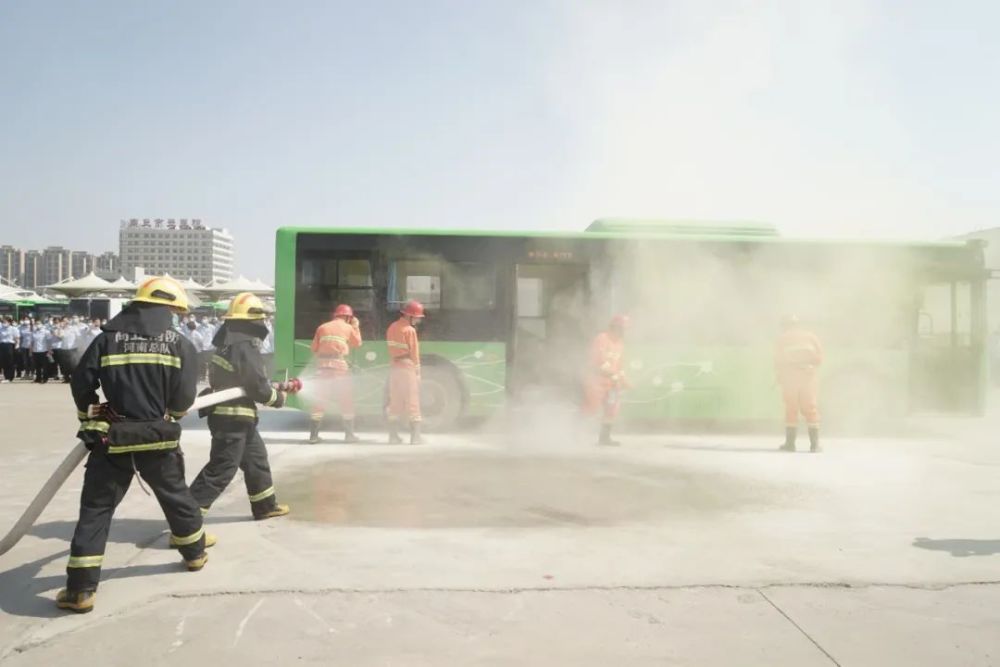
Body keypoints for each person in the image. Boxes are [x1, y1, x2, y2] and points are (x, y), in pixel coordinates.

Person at [57, 277, 210, 614]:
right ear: (166, 308)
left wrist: (90, 414)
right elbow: (184, 399)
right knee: (175, 495)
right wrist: (169, 413)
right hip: (158, 436)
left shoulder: (106, 340)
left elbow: (82, 382)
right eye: (173, 310)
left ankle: (80, 590)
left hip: (113, 436)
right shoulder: (180, 344)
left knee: (96, 510)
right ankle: (195, 553)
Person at [189, 292, 290, 520]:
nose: (263, 323)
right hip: (232, 419)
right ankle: (186, 519)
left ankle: (265, 506)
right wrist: (277, 398)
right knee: (222, 468)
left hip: (236, 417)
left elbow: (242, 379)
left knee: (256, 460)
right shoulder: (244, 346)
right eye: (260, 319)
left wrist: (269, 388)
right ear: (251, 321)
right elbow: (255, 385)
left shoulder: (227, 343)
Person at [308, 304, 363, 443]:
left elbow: (314, 348)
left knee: (319, 401)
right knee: (346, 400)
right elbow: (357, 343)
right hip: (339, 367)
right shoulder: (349, 327)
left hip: (323, 367)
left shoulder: (322, 327)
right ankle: (349, 435)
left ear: (335, 315)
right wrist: (356, 326)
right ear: (348, 317)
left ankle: (313, 436)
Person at [775, 315, 824, 453]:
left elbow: (778, 361)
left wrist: (780, 376)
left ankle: (790, 444)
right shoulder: (811, 337)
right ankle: (814, 445)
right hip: (808, 378)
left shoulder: (783, 339)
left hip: (790, 379)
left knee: (791, 409)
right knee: (810, 409)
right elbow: (819, 359)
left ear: (785, 326)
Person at [582, 315, 630, 446]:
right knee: (591, 408)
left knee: (612, 409)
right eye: (622, 329)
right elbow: (598, 361)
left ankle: (604, 438)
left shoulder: (620, 344)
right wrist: (612, 374)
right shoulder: (602, 339)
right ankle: (576, 433)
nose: (623, 332)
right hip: (596, 380)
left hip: (612, 383)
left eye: (625, 329)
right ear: (615, 327)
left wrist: (624, 380)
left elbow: (620, 365)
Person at [385, 300, 424, 444]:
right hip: (407, 367)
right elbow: (414, 352)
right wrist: (418, 371)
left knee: (395, 401)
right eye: (417, 317)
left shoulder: (392, 327)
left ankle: (393, 436)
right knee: (412, 400)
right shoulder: (410, 330)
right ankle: (415, 437)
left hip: (395, 366)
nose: (418, 320)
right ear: (410, 316)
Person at [0, 316, 19, 383]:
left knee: (10, 361)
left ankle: (10, 377)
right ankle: (6, 377)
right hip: (2, 345)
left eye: (5, 322)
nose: (3, 323)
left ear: (9, 322)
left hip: (10, 345)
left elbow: (17, 338)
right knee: (3, 362)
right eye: (3, 322)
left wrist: (17, 345)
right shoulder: (1, 328)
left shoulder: (13, 329)